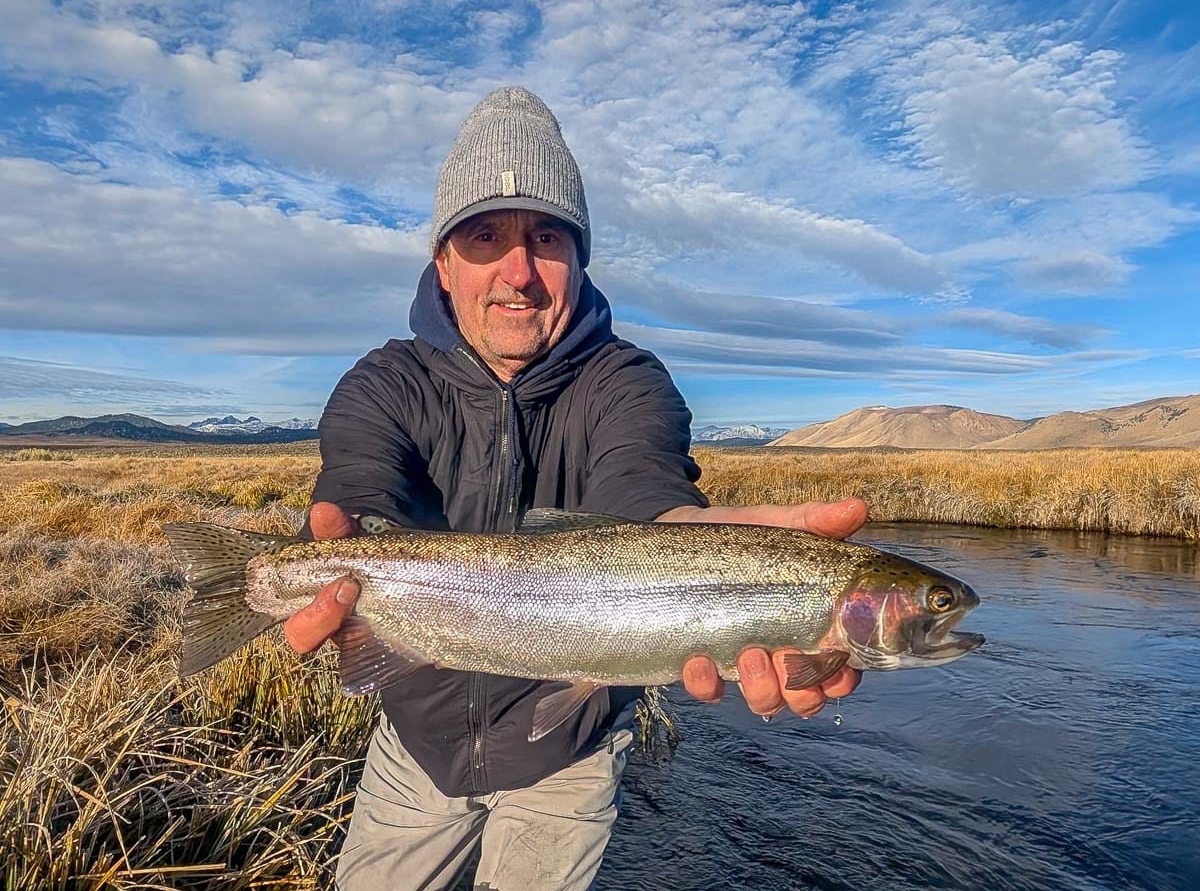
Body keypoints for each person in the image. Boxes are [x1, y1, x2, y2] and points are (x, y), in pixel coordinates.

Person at [285, 86, 866, 890]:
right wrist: (341, 539)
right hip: (413, 741)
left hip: (571, 756)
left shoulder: (628, 383)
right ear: (443, 266)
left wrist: (697, 542)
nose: (518, 273)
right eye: (485, 236)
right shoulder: (382, 383)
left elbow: (644, 495)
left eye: (547, 236)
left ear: (578, 260)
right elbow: (361, 486)